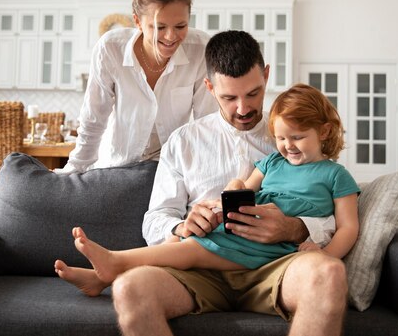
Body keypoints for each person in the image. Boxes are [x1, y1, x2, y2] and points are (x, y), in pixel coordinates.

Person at [57, 31, 350, 336]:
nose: (243, 108)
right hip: (200, 266)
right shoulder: (184, 142)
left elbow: (329, 202)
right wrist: (181, 226)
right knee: (131, 288)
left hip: (277, 264)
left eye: (253, 93)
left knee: (328, 274)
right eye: (229, 97)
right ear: (209, 88)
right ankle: (112, 269)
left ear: (266, 76)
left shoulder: (293, 137)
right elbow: (155, 219)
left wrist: (297, 227)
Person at [54, 83, 359, 292]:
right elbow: (244, 187)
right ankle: (102, 276)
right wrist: (229, 195)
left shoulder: (335, 175)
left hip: (271, 247)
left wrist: (327, 253)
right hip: (242, 229)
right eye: (281, 138)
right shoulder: (273, 162)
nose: (287, 146)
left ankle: (115, 262)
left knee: (191, 252)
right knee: (186, 236)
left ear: (324, 131)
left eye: (297, 137)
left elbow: (348, 228)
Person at [56, 0, 216, 172]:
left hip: (170, 169)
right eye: (159, 27)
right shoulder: (110, 48)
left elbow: (205, 124)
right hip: (115, 165)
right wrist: (73, 170)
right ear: (138, 22)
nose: (170, 37)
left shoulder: (201, 49)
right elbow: (94, 120)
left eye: (180, 25)